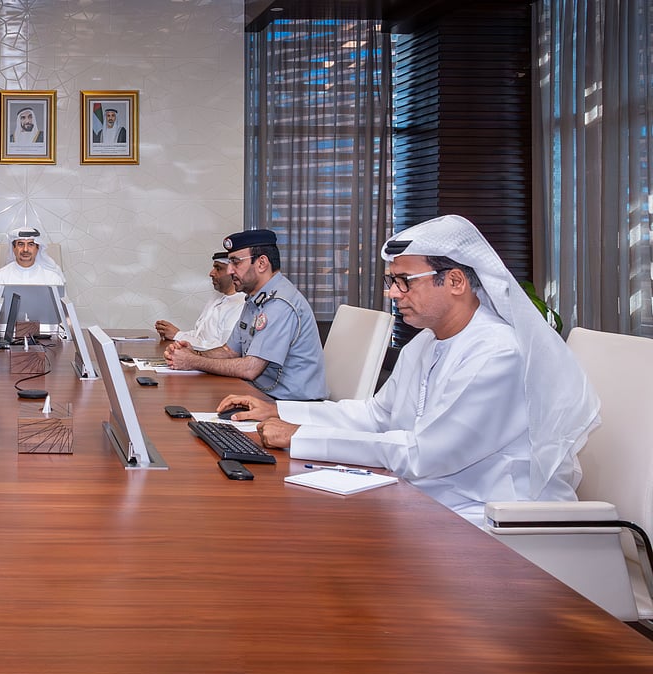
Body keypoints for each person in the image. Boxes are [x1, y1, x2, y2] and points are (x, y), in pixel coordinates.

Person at [218, 215, 601, 524]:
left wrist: (301, 435)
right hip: (431, 497)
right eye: (391, 281)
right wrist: (280, 410)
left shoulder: (498, 352)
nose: (393, 293)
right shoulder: (427, 342)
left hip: (488, 517)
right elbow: (376, 416)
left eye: (404, 281)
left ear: (454, 281)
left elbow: (425, 455)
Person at [164, 229, 326, 400]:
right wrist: (194, 354)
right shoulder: (255, 298)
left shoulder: (279, 304)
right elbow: (230, 351)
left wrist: (192, 361)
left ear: (262, 263)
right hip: (263, 395)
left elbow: (250, 369)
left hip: (291, 405)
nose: (229, 271)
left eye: (236, 262)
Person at [154, 252, 245, 351]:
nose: (211, 273)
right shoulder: (217, 297)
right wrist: (172, 333)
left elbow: (223, 349)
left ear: (233, 272)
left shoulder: (240, 304)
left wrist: (178, 335)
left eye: (218, 269)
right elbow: (200, 335)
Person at [0, 226, 65, 286]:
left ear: (37, 248)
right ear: (14, 248)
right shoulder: (0, 277)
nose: (25, 249)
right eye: (21, 244)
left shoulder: (52, 279)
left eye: (31, 244)